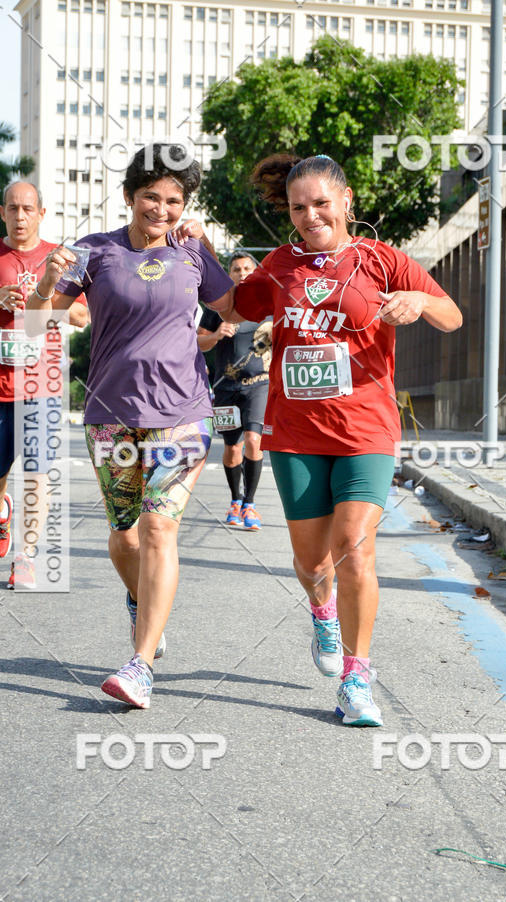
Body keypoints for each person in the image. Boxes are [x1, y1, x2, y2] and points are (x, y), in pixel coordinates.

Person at [215, 154, 462, 727]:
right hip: (297, 432)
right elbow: (229, 307)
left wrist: (419, 302)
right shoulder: (278, 266)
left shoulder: (382, 259)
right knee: (311, 559)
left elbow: (451, 315)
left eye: (321, 203)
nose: (310, 215)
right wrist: (192, 253)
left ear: (346, 201)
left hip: (366, 429)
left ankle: (357, 676)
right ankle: (321, 610)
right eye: (299, 207)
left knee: (355, 545)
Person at [26, 144, 233, 709]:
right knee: (124, 537)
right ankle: (144, 606)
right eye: (151, 197)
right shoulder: (94, 252)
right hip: (111, 418)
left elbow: (235, 308)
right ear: (129, 197)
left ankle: (140, 666)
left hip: (183, 415)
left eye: (173, 200)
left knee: (160, 528)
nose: (162, 209)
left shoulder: (191, 253)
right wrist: (47, 282)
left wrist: (209, 247)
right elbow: (35, 325)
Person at [0, 182, 88, 589]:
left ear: (41, 213)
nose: (20, 217)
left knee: (37, 474)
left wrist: (41, 300)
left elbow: (82, 317)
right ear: (3, 212)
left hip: (42, 388)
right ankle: (4, 513)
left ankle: (26, 557)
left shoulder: (60, 259)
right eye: (13, 208)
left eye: (28, 209)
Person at [197, 251, 272, 530]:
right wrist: (216, 336)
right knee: (232, 448)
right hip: (225, 388)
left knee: (254, 439)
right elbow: (198, 342)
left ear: (256, 272)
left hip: (259, 385)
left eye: (247, 268)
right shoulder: (219, 306)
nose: (242, 273)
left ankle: (250, 504)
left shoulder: (268, 303)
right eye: (236, 269)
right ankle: (235, 500)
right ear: (229, 275)